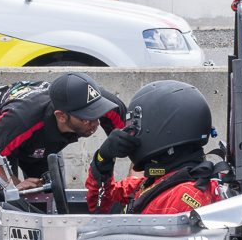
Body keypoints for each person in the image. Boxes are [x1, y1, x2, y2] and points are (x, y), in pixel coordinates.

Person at [0, 72, 125, 190]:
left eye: (98, 113)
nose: (96, 122)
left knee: (48, 191)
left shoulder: (102, 101)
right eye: (86, 117)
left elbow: (136, 142)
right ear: (61, 116)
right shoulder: (21, 120)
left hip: (37, 135)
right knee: (8, 196)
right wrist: (14, 183)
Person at [86, 80, 224, 214]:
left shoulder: (184, 196)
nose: (131, 133)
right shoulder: (156, 181)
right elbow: (101, 206)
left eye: (136, 127)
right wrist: (103, 159)